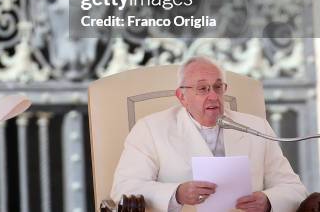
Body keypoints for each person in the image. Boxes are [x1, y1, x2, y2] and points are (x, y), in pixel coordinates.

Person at [111, 57, 307, 212]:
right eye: (203, 89)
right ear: (182, 96)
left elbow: (293, 188)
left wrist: (268, 201)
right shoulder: (150, 129)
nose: (213, 96)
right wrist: (176, 194)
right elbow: (123, 189)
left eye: (218, 87)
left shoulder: (257, 127)